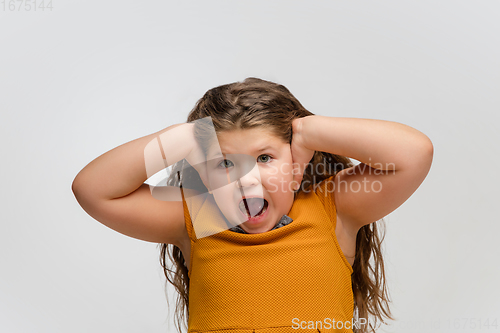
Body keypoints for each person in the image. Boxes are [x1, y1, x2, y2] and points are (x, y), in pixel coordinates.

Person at [72, 77, 433, 333]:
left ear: (296, 164)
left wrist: (308, 132)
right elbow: (93, 190)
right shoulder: (199, 218)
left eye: (264, 157)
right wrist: (186, 137)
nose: (247, 179)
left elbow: (413, 154)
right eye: (225, 163)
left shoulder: (333, 211)